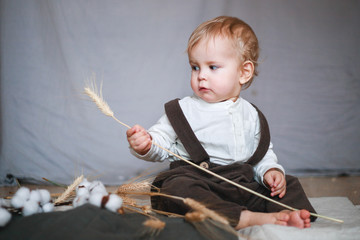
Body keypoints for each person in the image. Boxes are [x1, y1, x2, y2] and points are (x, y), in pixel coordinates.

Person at [126, 16, 316, 229]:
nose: (201, 76)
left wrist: (271, 171)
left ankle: (285, 216)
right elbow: (162, 143)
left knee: (288, 184)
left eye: (212, 67)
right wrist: (146, 144)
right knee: (175, 188)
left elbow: (261, 156)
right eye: (195, 67)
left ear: (244, 72)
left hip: (242, 187)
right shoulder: (183, 109)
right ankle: (247, 219)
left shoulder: (252, 114)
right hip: (199, 183)